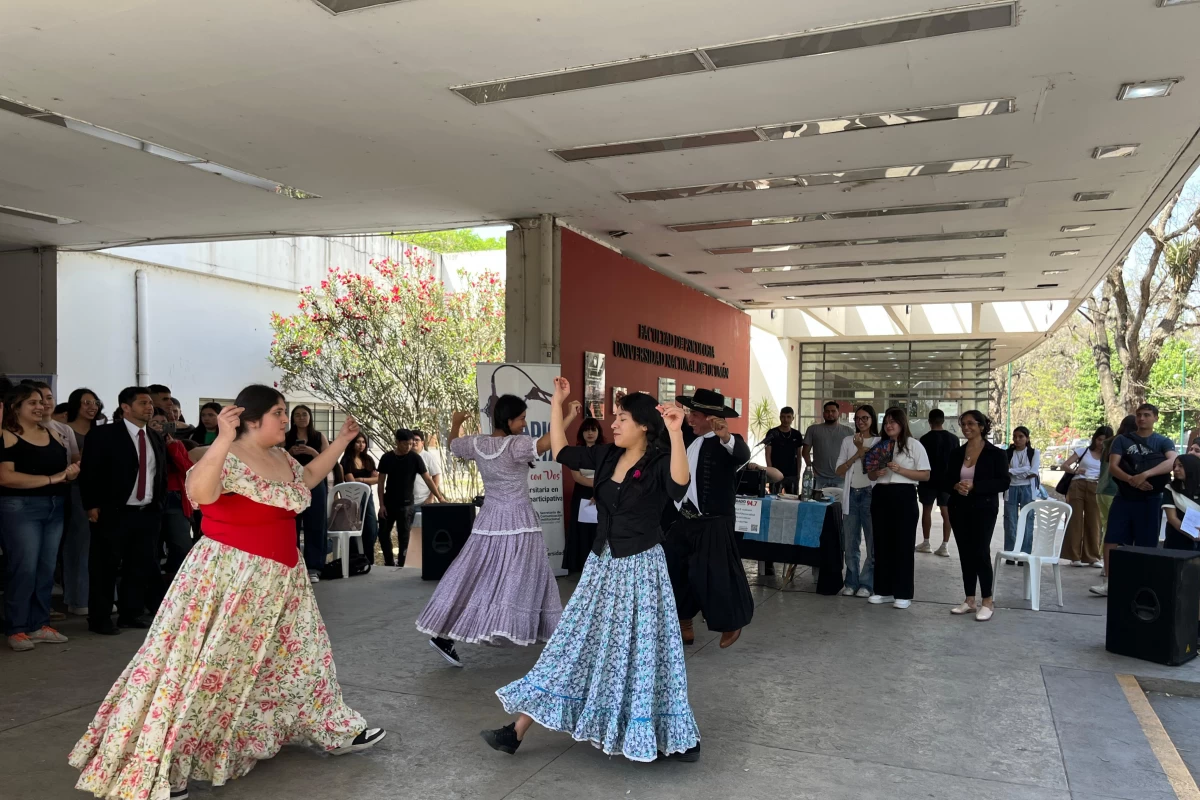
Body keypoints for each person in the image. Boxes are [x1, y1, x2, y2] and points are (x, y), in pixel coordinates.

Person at [69, 386, 386, 800]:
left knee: (304, 656)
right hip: (230, 577)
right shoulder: (225, 454)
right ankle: (171, 764)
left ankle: (334, 728)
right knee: (210, 668)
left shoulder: (281, 457)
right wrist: (221, 438)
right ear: (250, 419)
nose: (285, 420)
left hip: (283, 578)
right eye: (278, 413)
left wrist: (341, 442)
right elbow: (201, 494)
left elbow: (308, 478)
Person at [482, 382, 700, 763]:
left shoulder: (660, 461)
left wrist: (676, 431)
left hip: (641, 570)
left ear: (644, 426)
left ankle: (666, 733)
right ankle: (516, 730)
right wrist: (557, 404)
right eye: (615, 418)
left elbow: (680, 485)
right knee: (569, 645)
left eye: (622, 419)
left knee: (643, 656)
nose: (613, 424)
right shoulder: (606, 455)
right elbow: (561, 451)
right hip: (601, 567)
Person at [417, 396, 571, 666]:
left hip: (489, 521)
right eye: (521, 419)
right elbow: (549, 442)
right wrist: (564, 413)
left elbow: (453, 444)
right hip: (520, 523)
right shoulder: (515, 446)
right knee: (529, 575)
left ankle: (446, 635)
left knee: (475, 574)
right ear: (508, 420)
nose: (524, 424)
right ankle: (545, 638)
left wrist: (455, 423)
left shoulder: (478, 443)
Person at [664, 388, 754, 649]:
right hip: (685, 519)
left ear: (711, 418)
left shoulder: (727, 442)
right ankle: (684, 622)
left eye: (695, 414)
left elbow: (742, 454)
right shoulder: (688, 438)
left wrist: (725, 435)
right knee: (676, 569)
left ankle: (730, 622)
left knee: (715, 575)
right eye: (689, 413)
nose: (690, 418)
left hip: (714, 522)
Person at [79, 386, 168, 635]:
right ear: (125, 407)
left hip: (147, 512)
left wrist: (158, 505)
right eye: (142, 403)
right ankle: (100, 618)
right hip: (112, 511)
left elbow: (160, 474)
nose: (149, 407)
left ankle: (131, 613)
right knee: (104, 566)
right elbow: (90, 472)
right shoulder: (104, 435)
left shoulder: (155, 437)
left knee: (139, 565)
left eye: (150, 403)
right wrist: (91, 505)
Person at [0, 384, 77, 651]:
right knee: (24, 568)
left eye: (41, 402)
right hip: (20, 508)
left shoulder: (52, 432)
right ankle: (17, 628)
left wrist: (70, 473)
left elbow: (62, 470)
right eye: (32, 402)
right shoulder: (7, 435)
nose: (40, 406)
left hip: (55, 506)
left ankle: (39, 624)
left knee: (46, 569)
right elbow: (6, 477)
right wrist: (52, 479)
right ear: (15, 407)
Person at [1091, 404, 1178, 597]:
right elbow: (1113, 466)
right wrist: (1132, 480)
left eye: (1147, 415)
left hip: (1151, 499)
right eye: (1139, 415)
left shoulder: (1163, 441)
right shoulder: (1122, 440)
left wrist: (1145, 475)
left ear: (1156, 418)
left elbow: (1173, 461)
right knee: (1112, 538)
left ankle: (1142, 584)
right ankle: (1110, 582)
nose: (1142, 418)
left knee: (1146, 543)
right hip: (1124, 497)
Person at [943, 410, 1010, 622]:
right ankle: (970, 599)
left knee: (980, 552)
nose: (966, 427)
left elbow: (1004, 482)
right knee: (965, 553)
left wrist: (975, 486)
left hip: (984, 508)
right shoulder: (956, 453)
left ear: (981, 426)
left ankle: (987, 601)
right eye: (963, 424)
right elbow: (946, 479)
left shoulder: (996, 454)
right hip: (959, 507)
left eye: (971, 423)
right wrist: (956, 485)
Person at [866, 407, 931, 610]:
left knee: (903, 544)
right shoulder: (879, 445)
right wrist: (877, 472)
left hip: (904, 495)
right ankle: (883, 590)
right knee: (881, 543)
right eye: (886, 422)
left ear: (902, 423)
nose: (889, 425)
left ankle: (903, 593)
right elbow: (870, 474)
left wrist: (900, 470)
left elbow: (925, 475)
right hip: (881, 494)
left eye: (893, 421)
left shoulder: (914, 445)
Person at [378, 428, 447, 567]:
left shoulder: (415, 458)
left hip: (406, 504)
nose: (408, 447)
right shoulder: (387, 458)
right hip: (389, 502)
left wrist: (439, 497)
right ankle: (389, 562)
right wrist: (381, 505)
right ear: (397, 442)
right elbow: (381, 482)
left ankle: (402, 564)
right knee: (383, 534)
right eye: (405, 444)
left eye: (410, 444)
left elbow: (428, 479)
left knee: (404, 537)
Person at [63, 387, 102, 617]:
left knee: (98, 546)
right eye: (86, 402)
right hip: (76, 489)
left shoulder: (101, 430)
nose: (92, 407)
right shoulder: (66, 429)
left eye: (95, 402)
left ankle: (98, 595)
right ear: (75, 405)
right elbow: (73, 461)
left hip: (101, 490)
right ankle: (77, 598)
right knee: (79, 544)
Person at [835, 405, 879, 598]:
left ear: (872, 419)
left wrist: (863, 451)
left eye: (865, 418)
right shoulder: (847, 441)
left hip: (871, 494)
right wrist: (857, 453)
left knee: (872, 543)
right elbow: (839, 470)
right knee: (850, 542)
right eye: (858, 418)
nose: (861, 422)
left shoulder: (879, 441)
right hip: (851, 494)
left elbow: (876, 470)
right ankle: (851, 582)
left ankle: (867, 583)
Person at [150, 406, 198, 577]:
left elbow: (187, 470)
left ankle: (179, 580)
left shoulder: (176, 444)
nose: (160, 426)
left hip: (174, 497)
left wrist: (173, 448)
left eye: (163, 422)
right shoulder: (142, 444)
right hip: (151, 498)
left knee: (181, 545)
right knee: (152, 546)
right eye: (155, 423)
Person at [286, 405, 330, 582]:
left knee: (316, 523)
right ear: (292, 418)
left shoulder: (318, 437)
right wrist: (290, 453)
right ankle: (293, 565)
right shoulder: (286, 437)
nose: (301, 418)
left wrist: (312, 452)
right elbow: (275, 458)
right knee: (292, 524)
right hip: (292, 483)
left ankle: (314, 567)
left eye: (304, 414)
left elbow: (329, 460)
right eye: (297, 415)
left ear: (310, 417)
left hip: (316, 483)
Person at [1060, 426, 1112, 567]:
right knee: (1074, 520)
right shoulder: (1083, 451)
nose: (1101, 443)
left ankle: (1092, 557)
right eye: (1099, 439)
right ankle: (1074, 556)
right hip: (1078, 485)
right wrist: (1075, 471)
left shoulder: (1110, 456)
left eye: (1105, 440)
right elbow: (1064, 465)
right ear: (1095, 438)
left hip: (1096, 487)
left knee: (1094, 521)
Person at [563, 416, 605, 573]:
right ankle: (582, 567)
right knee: (582, 530)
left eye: (593, 430)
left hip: (603, 493)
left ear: (598, 432)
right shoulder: (576, 452)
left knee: (599, 529)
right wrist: (598, 485)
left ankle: (600, 567)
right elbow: (577, 477)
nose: (590, 433)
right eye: (586, 430)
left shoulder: (605, 451)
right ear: (581, 433)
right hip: (582, 493)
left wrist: (601, 489)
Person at [917, 409, 959, 557]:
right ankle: (944, 546)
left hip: (928, 480)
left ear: (929, 422)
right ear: (943, 421)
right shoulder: (954, 439)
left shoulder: (924, 439)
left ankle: (926, 543)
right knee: (946, 512)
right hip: (947, 481)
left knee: (926, 510)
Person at [339, 431, 380, 563]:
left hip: (367, 496)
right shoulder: (346, 460)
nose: (361, 445)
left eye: (363, 442)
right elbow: (351, 481)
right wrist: (368, 480)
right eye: (358, 442)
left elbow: (378, 479)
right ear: (352, 443)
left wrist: (361, 479)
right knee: (354, 528)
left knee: (371, 527)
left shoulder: (368, 460)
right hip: (352, 498)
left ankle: (368, 559)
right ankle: (354, 560)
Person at [1096, 417, 1133, 553]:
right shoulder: (1125, 443)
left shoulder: (1109, 443)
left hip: (1101, 489)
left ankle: (1104, 557)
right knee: (1115, 528)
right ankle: (1108, 558)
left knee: (1107, 525)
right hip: (1114, 489)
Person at [1003, 426, 1040, 561]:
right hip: (1010, 488)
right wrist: (1024, 470)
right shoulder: (1007, 453)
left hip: (1027, 489)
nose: (1017, 439)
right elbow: (1005, 471)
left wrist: (1013, 471)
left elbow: (1033, 472)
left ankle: (1025, 554)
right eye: (1015, 437)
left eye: (1021, 437)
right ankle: (1011, 554)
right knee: (1010, 521)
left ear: (1027, 438)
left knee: (1028, 520)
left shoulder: (1034, 453)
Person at [802, 401, 853, 493]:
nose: (830, 414)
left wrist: (846, 471)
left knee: (839, 502)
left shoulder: (848, 431)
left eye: (833, 411)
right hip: (818, 477)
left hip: (840, 478)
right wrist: (811, 469)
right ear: (823, 414)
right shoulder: (813, 429)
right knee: (816, 501)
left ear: (838, 413)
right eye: (827, 411)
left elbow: (852, 454)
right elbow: (805, 452)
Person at [1162, 454, 1200, 550]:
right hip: (1177, 539)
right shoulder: (1170, 488)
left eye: (1181, 466)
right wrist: (1192, 534)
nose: (1176, 469)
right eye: (1174, 466)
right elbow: (1172, 518)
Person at [764, 406, 803, 494]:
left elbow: (799, 456)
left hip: (792, 475)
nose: (785, 420)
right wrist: (770, 472)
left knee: (793, 499)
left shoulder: (797, 434)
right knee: (774, 498)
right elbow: (767, 454)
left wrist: (798, 474)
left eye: (788, 417)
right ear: (780, 417)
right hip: (776, 474)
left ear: (793, 418)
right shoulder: (772, 433)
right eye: (783, 417)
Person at [410, 429, 443, 507]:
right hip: (406, 502)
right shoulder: (404, 456)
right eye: (412, 440)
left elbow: (436, 477)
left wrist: (431, 497)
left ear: (422, 443)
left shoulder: (428, 457)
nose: (414, 442)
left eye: (417, 440)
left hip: (423, 501)